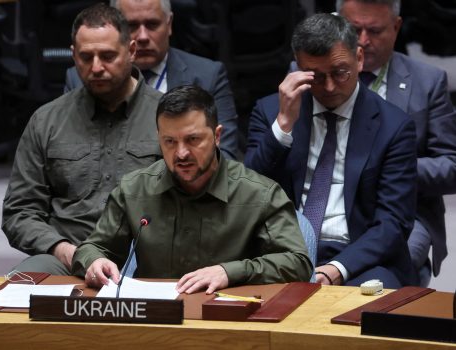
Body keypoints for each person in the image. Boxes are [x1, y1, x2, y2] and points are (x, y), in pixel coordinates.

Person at [72, 85, 312, 294]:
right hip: (155, 320)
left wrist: (229, 272)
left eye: (193, 140)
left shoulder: (259, 194)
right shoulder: (135, 190)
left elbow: (298, 262)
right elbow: (93, 247)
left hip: (227, 321)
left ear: (217, 136)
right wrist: (95, 261)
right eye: (170, 142)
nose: (181, 153)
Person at [244, 13, 418, 288]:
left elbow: (393, 222)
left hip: (359, 257)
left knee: (370, 309)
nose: (329, 87)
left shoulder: (394, 127)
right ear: (298, 69)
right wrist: (283, 126)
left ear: (359, 59)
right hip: (283, 251)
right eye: (316, 76)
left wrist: (334, 270)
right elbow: (246, 192)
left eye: (340, 72)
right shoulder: (270, 112)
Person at [2, 3, 162, 275]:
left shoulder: (167, 117)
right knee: (16, 294)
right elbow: (20, 211)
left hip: (150, 257)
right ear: (73, 55)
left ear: (131, 51)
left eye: (108, 56)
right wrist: (64, 250)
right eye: (86, 57)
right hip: (68, 255)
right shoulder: (47, 120)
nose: (96, 67)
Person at [337, 0, 456, 283]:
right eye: (355, 30)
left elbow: (451, 167)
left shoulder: (427, 82)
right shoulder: (313, 72)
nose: (364, 41)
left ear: (397, 26)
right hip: (329, 204)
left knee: (387, 272)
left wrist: (390, 169)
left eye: (375, 31)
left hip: (404, 212)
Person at [64, 0, 238, 160]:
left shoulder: (208, 76)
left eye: (152, 24)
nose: (143, 37)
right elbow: (69, 150)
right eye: (131, 26)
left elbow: (225, 155)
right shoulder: (82, 78)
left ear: (169, 24)